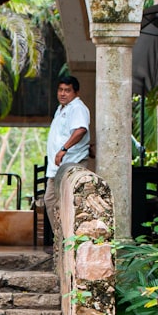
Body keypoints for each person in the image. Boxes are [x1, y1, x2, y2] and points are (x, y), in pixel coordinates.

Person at [43, 74, 91, 241]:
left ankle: (68, 240)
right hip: (57, 167)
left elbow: (80, 129)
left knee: (67, 202)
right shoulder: (62, 108)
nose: (63, 93)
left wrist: (64, 149)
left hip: (70, 163)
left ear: (75, 93)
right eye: (60, 90)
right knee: (51, 201)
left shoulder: (76, 107)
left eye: (67, 91)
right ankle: (62, 239)